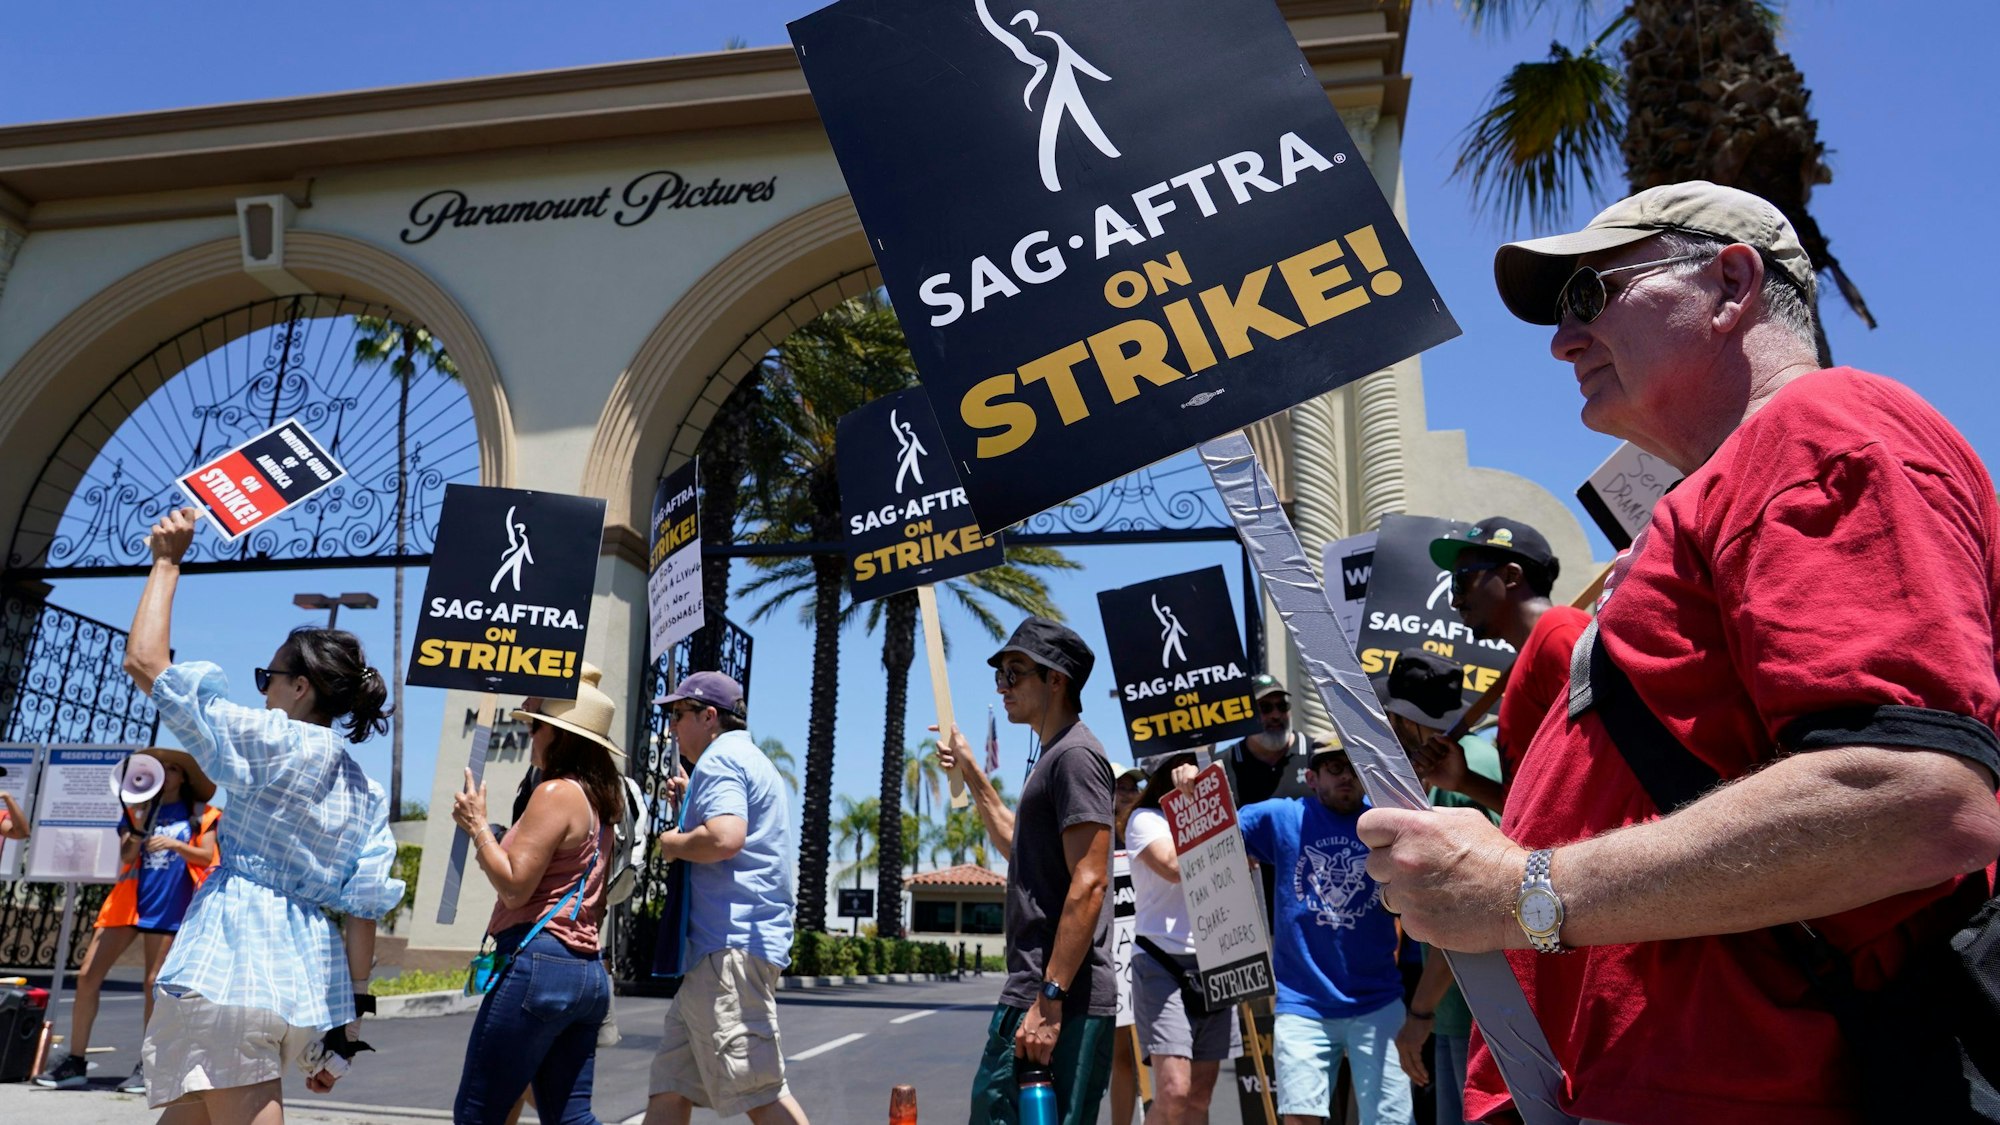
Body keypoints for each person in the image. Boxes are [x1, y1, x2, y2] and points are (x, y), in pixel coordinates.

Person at [1360, 181, 2000, 1125]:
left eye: (1590, 295)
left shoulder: (1817, 425)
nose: (1562, 340)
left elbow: (1912, 800)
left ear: (1732, 284)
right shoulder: (1739, 480)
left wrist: (1518, 891)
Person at [123, 506, 404, 1123]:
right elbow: (362, 911)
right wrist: (349, 1029)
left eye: (267, 677)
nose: (264, 690)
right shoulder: (365, 791)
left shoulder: (273, 740)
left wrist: (167, 562)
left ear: (299, 687)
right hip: (301, 975)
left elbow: (147, 664)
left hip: (231, 955)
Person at [936, 616, 1114, 1125]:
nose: (1002, 686)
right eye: (1000, 675)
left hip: (1059, 997)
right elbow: (1016, 846)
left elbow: (1090, 881)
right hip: (1041, 990)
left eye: (1014, 673)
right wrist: (971, 771)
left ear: (1056, 680)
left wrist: (1050, 999)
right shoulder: (1056, 756)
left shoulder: (1076, 756)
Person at [1184, 745, 1412, 1125]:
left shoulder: (1384, 823)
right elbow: (1208, 834)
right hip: (1303, 1005)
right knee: (1300, 1119)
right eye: (1334, 767)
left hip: (1378, 1000)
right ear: (1311, 778)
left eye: (1352, 768)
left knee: (1391, 1121)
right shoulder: (1284, 816)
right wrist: (1195, 787)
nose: (1346, 776)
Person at [450, 663, 625, 1124]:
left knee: (477, 1113)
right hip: (586, 970)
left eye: (536, 727)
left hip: (540, 963)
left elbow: (514, 887)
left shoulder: (555, 794)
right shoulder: (599, 803)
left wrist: (477, 827)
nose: (529, 736)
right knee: (570, 1117)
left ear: (561, 735)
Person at [642, 671, 807, 1125]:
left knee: (759, 1092)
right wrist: (690, 803)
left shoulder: (720, 761)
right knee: (671, 1084)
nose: (673, 726)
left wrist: (673, 842)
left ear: (709, 716)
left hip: (726, 954)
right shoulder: (748, 759)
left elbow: (725, 838)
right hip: (721, 955)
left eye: (679, 714)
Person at [37, 747, 220, 1093]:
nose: (164, 773)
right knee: (88, 975)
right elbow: (126, 854)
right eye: (160, 767)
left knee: (153, 985)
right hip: (130, 906)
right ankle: (75, 1061)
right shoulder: (138, 810)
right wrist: (137, 829)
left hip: (171, 907)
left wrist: (175, 845)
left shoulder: (201, 813)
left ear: (184, 777)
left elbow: (207, 855)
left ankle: (149, 1066)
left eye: (172, 768)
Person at [1369, 652, 1501, 1125]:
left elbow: (1462, 908)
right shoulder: (1476, 759)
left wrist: (1420, 1014)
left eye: (1391, 716)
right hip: (1475, 1003)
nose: (1387, 725)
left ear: (1407, 719)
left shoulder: (1453, 781)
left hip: (1469, 1009)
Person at [1427, 516, 1587, 803]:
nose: (1455, 601)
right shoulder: (1526, 664)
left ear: (1511, 576)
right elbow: (1539, 809)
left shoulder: (1560, 632)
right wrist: (1465, 782)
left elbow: (1606, 769)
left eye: (1461, 581)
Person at [1126, 751, 1230, 1125]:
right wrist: (1197, 804)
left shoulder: (1223, 811)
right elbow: (1172, 866)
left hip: (1217, 958)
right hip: (1161, 960)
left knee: (1199, 1097)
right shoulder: (1144, 819)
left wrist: (1215, 798)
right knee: (1174, 1091)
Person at [1218, 673, 1319, 809]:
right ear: (1246, 714)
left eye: (1282, 706)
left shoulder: (1316, 754)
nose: (1276, 715)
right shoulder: (1223, 766)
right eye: (1265, 708)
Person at [1110, 763, 1146, 1125]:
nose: (1127, 794)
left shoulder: (1149, 831)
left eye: (1132, 787)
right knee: (1121, 1058)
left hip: (1156, 963)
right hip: (1115, 974)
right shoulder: (1091, 841)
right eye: (1119, 787)